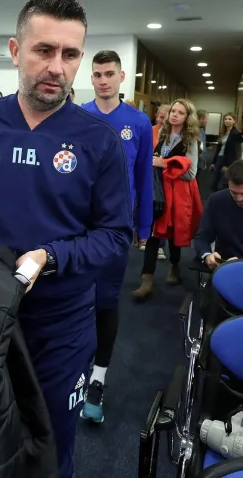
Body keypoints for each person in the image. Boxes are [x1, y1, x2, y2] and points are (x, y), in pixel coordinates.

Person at [0, 0, 133, 478]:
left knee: (50, 443)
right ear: (15, 50)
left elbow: (114, 235)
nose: (57, 67)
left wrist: (50, 256)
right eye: (44, 50)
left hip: (61, 324)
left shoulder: (99, 139)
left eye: (70, 54)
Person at [80, 50, 153, 423]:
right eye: (97, 74)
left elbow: (144, 177)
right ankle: (73, 368)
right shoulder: (77, 116)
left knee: (106, 300)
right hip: (77, 223)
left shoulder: (138, 122)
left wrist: (144, 226)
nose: (103, 80)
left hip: (116, 226)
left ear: (122, 77)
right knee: (73, 296)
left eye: (109, 73)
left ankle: (98, 378)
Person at [132, 99, 203, 300]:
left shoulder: (191, 140)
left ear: (187, 117)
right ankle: (146, 280)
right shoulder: (162, 133)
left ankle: (174, 265)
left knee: (173, 235)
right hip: (157, 192)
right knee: (153, 234)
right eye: (173, 111)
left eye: (180, 112)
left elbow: (191, 174)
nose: (175, 115)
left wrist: (165, 164)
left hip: (177, 196)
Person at [211, 113, 242, 191]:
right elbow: (218, 149)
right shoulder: (223, 133)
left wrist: (227, 165)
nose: (227, 121)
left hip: (227, 160)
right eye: (225, 119)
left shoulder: (235, 133)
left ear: (234, 121)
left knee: (223, 183)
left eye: (230, 119)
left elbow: (233, 151)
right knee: (215, 179)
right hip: (219, 158)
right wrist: (213, 162)